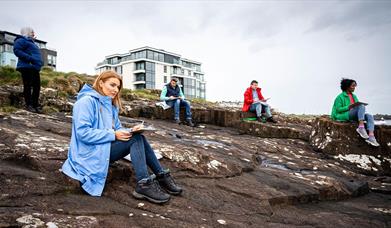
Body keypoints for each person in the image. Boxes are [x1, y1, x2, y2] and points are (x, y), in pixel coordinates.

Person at [62, 71, 182, 204]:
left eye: (118, 87)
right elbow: (83, 133)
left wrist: (130, 130)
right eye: (112, 85)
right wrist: (113, 134)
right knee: (135, 140)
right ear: (101, 83)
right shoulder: (86, 102)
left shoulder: (110, 105)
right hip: (88, 153)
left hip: (103, 147)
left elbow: (117, 129)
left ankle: (161, 176)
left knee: (138, 137)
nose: (115, 90)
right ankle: (144, 184)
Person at [331, 78, 379, 147]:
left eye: (355, 86)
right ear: (347, 86)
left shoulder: (354, 96)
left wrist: (355, 107)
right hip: (342, 115)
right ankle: (361, 127)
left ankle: (371, 136)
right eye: (353, 86)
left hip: (352, 114)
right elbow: (338, 109)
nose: (354, 88)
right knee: (361, 106)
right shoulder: (339, 97)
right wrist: (349, 107)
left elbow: (358, 107)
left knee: (369, 116)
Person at [13, 27, 43, 113]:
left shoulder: (32, 43)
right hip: (26, 66)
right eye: (32, 32)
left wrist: (39, 63)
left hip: (34, 67)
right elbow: (17, 50)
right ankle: (29, 105)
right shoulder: (21, 40)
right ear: (27, 32)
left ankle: (35, 105)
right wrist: (30, 58)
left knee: (37, 87)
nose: (34, 33)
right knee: (28, 86)